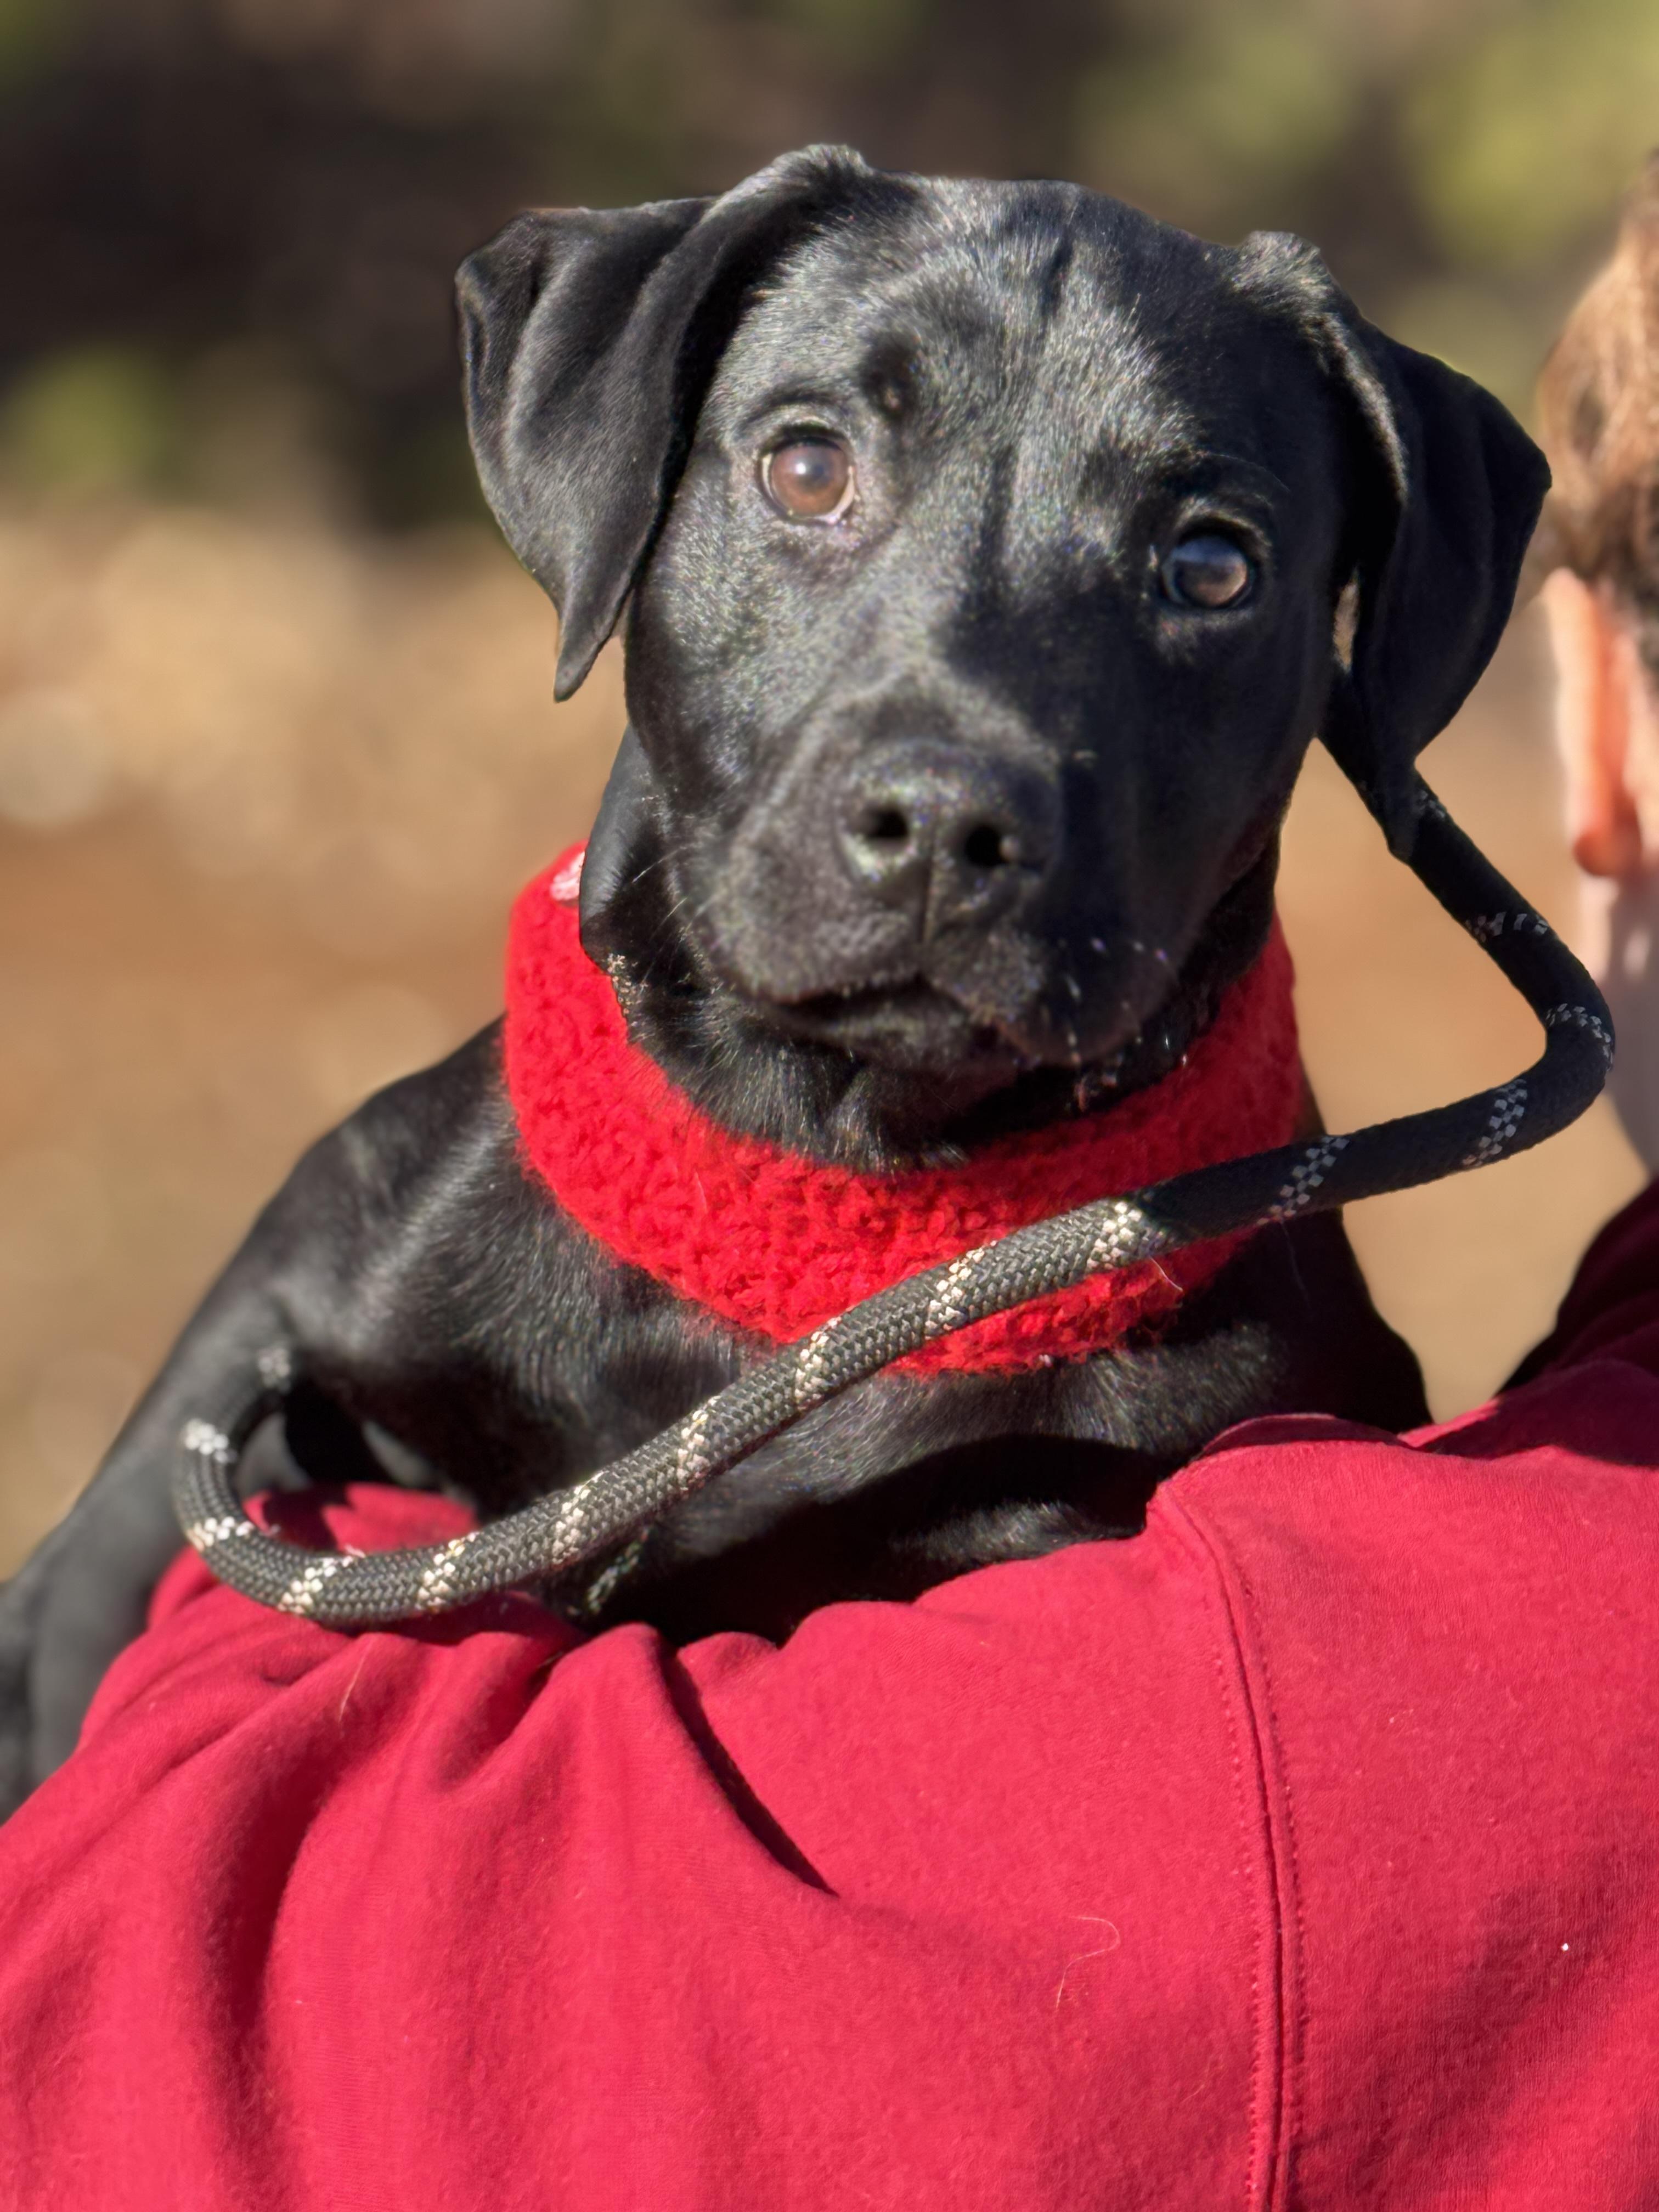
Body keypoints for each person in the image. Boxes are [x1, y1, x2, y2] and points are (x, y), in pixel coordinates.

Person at [5, 174, 1659, 2211]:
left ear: (1361, 663)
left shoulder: (1248, 1470)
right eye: (811, 470)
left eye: (1207, 561)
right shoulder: (407, 1215)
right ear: (628, 476)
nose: (957, 763)